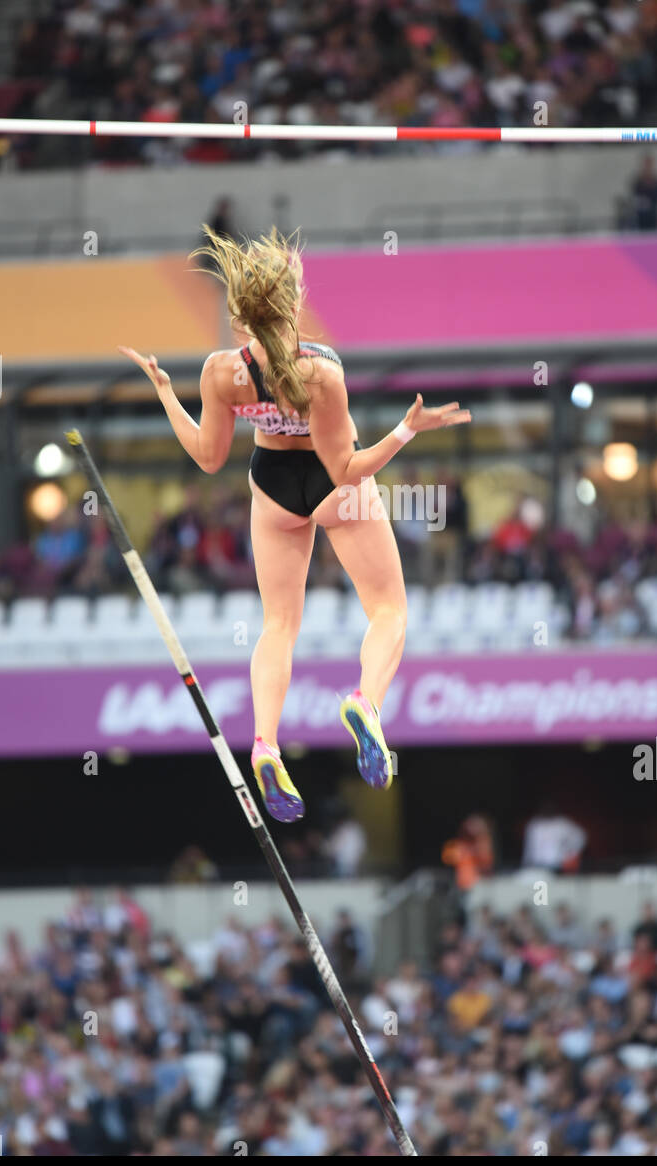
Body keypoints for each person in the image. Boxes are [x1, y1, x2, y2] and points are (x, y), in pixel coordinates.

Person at [120, 226, 470, 823]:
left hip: (272, 488)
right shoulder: (321, 373)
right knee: (389, 610)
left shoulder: (220, 371)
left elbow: (208, 458)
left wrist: (164, 393)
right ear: (293, 305)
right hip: (334, 487)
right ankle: (365, 702)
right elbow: (346, 466)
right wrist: (408, 430)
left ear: (243, 316)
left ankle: (265, 742)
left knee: (279, 624)